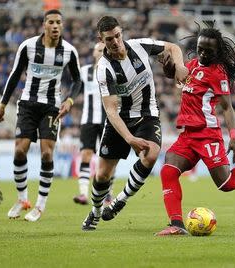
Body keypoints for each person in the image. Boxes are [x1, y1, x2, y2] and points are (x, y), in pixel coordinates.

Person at [155, 23, 235, 236]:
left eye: (209, 51)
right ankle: (176, 224)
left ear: (217, 51)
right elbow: (173, 75)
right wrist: (167, 66)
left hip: (208, 135)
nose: (203, 53)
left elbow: (227, 108)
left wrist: (234, 137)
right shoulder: (191, 65)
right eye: (200, 48)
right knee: (168, 171)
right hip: (187, 135)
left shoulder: (218, 73)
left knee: (226, 184)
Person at [81, 16, 189, 230]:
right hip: (119, 120)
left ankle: (120, 199)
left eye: (118, 36)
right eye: (110, 39)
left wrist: (180, 66)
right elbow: (110, 111)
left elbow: (173, 47)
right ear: (101, 39)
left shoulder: (140, 46)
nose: (116, 42)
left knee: (151, 154)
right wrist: (129, 138)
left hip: (147, 114)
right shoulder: (104, 69)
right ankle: (95, 212)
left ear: (122, 32)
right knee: (102, 174)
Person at [0, 9, 82, 221]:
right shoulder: (28, 46)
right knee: (19, 151)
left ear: (62, 25)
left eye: (58, 22)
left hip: (51, 107)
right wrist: (3, 105)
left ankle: (40, 205)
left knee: (46, 154)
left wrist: (69, 101)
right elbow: (14, 75)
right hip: (27, 104)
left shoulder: (69, 51)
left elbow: (77, 81)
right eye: (51, 22)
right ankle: (23, 199)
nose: (55, 26)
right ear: (44, 24)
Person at [73, 42, 114, 206]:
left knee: (108, 158)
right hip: (88, 120)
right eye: (99, 50)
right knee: (85, 155)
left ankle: (108, 194)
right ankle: (83, 194)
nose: (101, 52)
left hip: (108, 120)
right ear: (94, 53)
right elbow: (75, 89)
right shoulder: (85, 71)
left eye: (104, 50)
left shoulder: (111, 71)